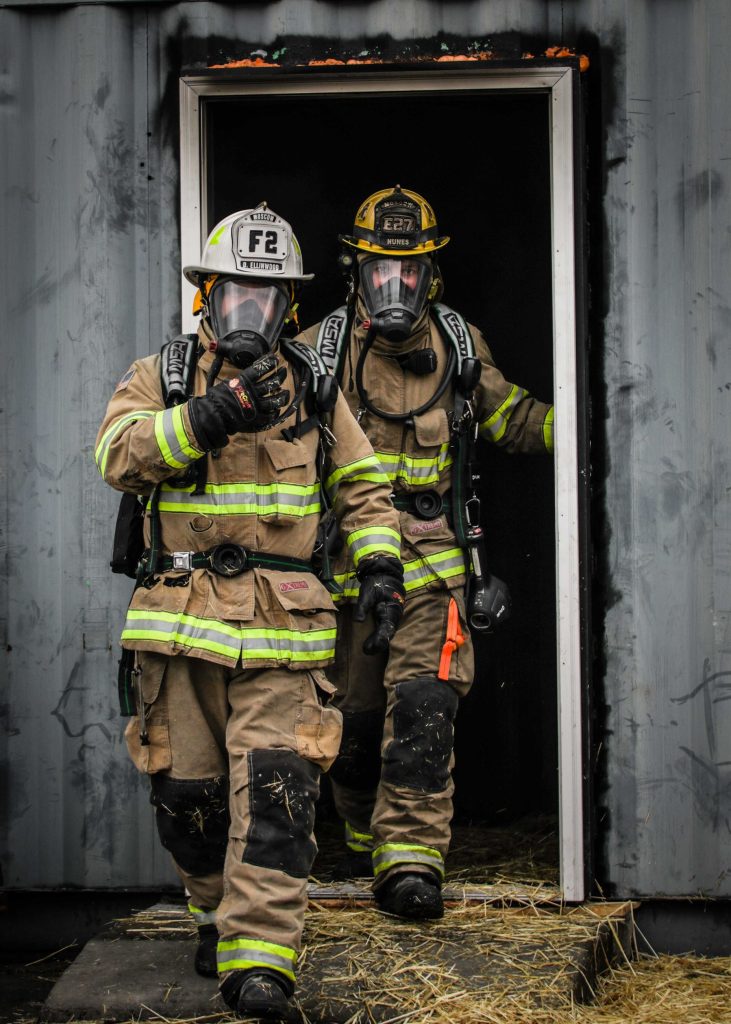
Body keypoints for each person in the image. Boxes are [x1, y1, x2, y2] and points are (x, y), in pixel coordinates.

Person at [95, 204, 404, 1022]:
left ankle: (261, 960)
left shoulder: (314, 386)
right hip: (178, 628)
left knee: (276, 798)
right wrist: (203, 416)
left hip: (285, 635)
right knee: (188, 806)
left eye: (266, 299)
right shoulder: (159, 375)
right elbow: (115, 455)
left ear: (288, 309)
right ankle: (211, 911)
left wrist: (377, 561)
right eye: (235, 293)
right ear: (206, 296)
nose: (249, 313)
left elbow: (363, 489)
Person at [297, 186, 554, 921]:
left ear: (430, 275)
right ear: (354, 272)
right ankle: (356, 831)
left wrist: (597, 419)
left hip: (434, 569)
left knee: (424, 710)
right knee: (349, 727)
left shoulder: (458, 346)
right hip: (343, 574)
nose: (395, 288)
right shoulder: (320, 351)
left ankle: (410, 862)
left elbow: (512, 419)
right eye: (380, 272)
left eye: (408, 274)